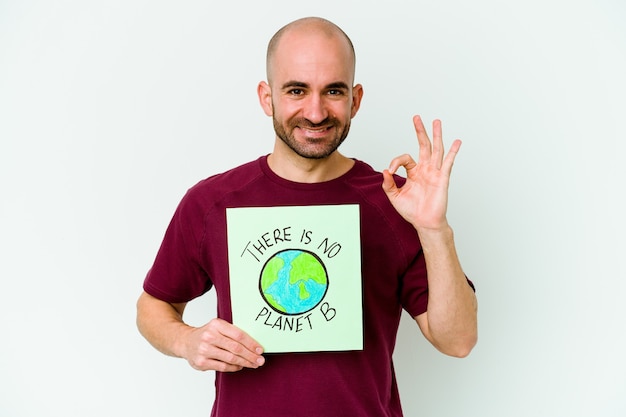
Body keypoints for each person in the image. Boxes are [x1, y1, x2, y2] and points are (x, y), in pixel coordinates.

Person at [136, 16, 477, 417]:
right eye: (296, 90)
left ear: (356, 99)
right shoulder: (211, 202)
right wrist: (187, 341)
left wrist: (434, 229)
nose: (315, 113)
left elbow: (458, 341)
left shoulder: (396, 202)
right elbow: (154, 305)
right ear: (267, 98)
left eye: (333, 91)